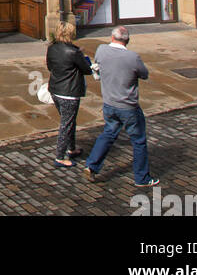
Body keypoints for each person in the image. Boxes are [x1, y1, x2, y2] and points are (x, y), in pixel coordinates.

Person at [84, 25, 160, 186]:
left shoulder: (101, 50)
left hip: (109, 103)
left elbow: (98, 64)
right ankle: (142, 178)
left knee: (108, 134)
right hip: (128, 106)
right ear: (128, 40)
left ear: (112, 37)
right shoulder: (132, 57)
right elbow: (144, 74)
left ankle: (92, 165)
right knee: (138, 141)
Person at [46, 20, 94, 168]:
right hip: (69, 92)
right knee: (66, 124)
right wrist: (83, 57)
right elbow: (87, 70)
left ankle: (71, 148)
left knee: (69, 120)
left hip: (55, 89)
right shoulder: (73, 52)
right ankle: (60, 157)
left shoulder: (52, 48)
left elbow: (49, 66)